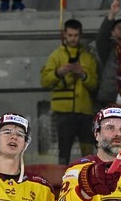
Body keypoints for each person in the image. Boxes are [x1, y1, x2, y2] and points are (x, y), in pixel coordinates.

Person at [40, 19, 99, 164]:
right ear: (64, 35)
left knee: (88, 151)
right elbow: (45, 81)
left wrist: (83, 74)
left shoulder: (88, 58)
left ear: (81, 35)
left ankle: (89, 177)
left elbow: (95, 84)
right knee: (63, 151)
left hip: (85, 111)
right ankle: (62, 182)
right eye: (70, 35)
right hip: (63, 112)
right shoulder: (56, 56)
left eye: (76, 35)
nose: (73, 38)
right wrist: (59, 72)